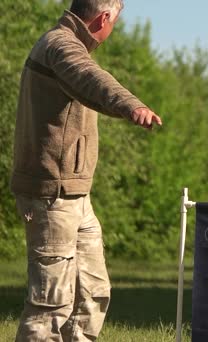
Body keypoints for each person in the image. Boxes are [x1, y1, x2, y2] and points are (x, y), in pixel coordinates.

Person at [11, 0, 162, 340]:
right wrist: (130, 104)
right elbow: (91, 79)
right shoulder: (61, 45)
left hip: (76, 194)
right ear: (103, 18)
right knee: (50, 305)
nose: (112, 30)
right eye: (115, 23)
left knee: (91, 294)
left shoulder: (66, 45)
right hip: (52, 195)